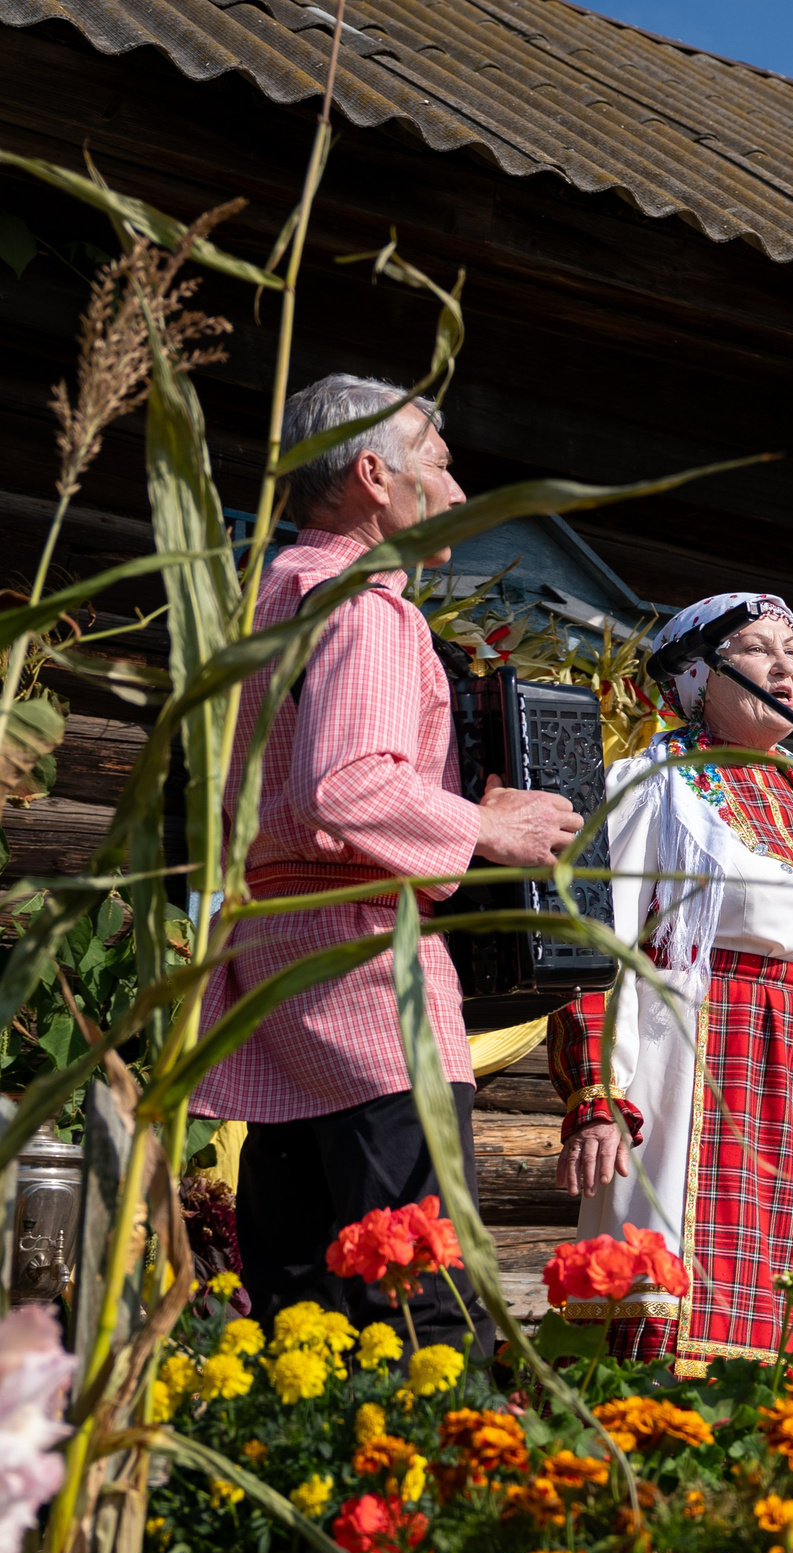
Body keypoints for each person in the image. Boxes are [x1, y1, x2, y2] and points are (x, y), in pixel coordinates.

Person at [198, 374, 579, 1352]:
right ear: (373, 475)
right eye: (441, 467)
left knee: (299, 1290)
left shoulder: (275, 598)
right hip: (367, 977)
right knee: (418, 1294)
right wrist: (487, 828)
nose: (456, 496)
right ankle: (431, 1497)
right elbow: (348, 785)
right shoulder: (367, 606)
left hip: (276, 975)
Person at [549, 592, 793, 1373]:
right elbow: (598, 938)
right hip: (691, 1070)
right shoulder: (654, 783)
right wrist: (600, 1096)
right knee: (675, 1281)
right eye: (757, 648)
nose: (785, 667)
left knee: (788, 1310)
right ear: (697, 675)